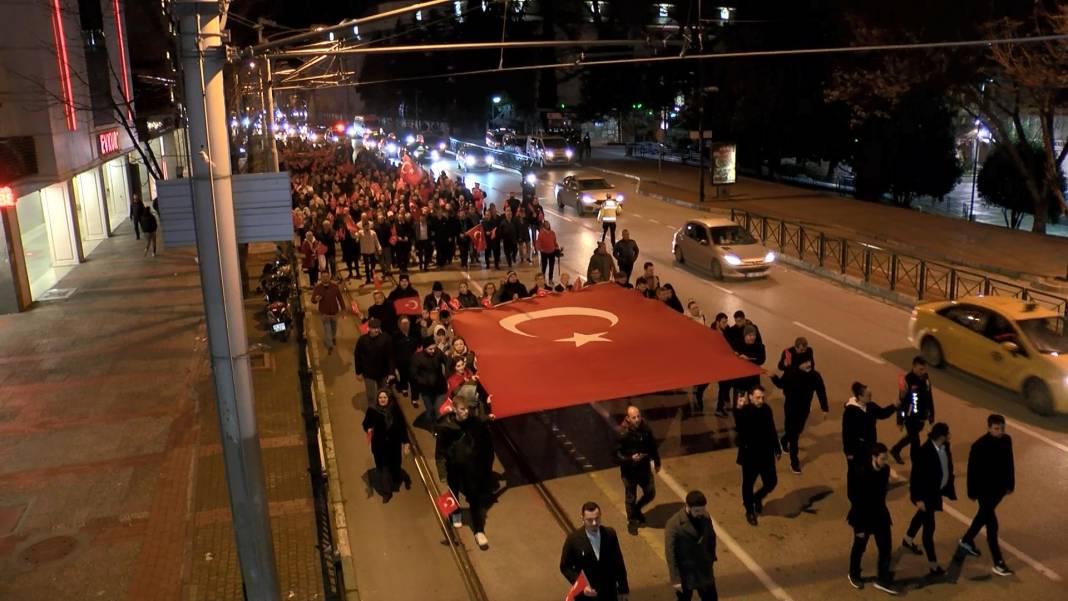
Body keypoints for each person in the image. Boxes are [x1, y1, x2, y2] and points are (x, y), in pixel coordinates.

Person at [957, 414, 1015, 576]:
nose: (1000, 431)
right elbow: (972, 471)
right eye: (997, 429)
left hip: (999, 490)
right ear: (989, 428)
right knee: (992, 524)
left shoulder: (1006, 440)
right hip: (984, 491)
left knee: (982, 517)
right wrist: (972, 492)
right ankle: (998, 562)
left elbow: (1010, 462)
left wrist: (1010, 484)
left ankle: (966, 540)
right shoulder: (979, 446)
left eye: (1002, 428)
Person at [435, 396, 496, 550]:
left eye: (467, 409)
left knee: (474, 498)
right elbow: (440, 453)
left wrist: (489, 413)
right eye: (462, 409)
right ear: (454, 409)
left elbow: (480, 419)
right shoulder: (445, 427)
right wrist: (442, 473)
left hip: (471, 467)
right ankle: (456, 515)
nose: (466, 412)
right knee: (453, 493)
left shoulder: (472, 421)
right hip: (453, 467)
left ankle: (479, 530)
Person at [903, 422, 955, 576]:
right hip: (926, 496)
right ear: (941, 437)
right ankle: (933, 565)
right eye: (948, 433)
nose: (950, 435)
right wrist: (917, 499)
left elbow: (947, 466)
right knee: (928, 532)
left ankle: (908, 539)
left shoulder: (945, 447)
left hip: (935, 493)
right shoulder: (924, 452)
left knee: (921, 516)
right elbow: (915, 478)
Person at [847, 443, 898, 595]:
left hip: (880, 515)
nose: (885, 462)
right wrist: (860, 527)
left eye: (886, 458)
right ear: (874, 457)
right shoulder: (859, 472)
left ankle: (882, 578)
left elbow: (882, 493)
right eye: (883, 459)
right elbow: (854, 499)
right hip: (862, 517)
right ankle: (854, 573)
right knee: (859, 547)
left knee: (886, 547)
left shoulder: (885, 470)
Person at [559, 501, 630, 601]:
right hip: (586, 596)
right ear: (582, 519)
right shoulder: (573, 540)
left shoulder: (610, 534)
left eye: (597, 518)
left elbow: (618, 562)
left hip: (609, 593)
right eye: (590, 520)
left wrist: (624, 589)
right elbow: (565, 567)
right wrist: (580, 585)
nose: (594, 523)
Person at [770, 359, 828, 474]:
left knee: (797, 430)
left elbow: (821, 391)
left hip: (804, 409)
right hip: (791, 408)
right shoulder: (791, 374)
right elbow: (781, 384)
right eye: (805, 362)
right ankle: (794, 462)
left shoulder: (815, 376)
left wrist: (824, 408)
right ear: (798, 364)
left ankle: (784, 440)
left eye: (809, 362)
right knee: (794, 435)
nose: (808, 365)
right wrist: (773, 377)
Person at [735, 385, 780, 526]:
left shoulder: (766, 410)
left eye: (762, 397)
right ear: (750, 397)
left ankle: (757, 497)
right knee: (748, 484)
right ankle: (749, 510)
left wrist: (777, 448)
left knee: (771, 481)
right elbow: (740, 427)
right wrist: (738, 409)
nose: (761, 400)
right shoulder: (745, 412)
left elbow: (772, 428)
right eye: (758, 397)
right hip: (750, 456)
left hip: (766, 453)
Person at [615, 406, 661, 535]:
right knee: (630, 497)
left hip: (644, 468)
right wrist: (630, 459)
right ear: (628, 418)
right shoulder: (622, 433)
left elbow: (652, 445)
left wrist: (657, 462)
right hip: (629, 471)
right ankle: (632, 521)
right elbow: (615, 454)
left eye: (638, 416)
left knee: (650, 492)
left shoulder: (645, 429)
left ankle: (636, 509)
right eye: (634, 417)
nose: (637, 419)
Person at [665, 490, 718, 601]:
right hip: (686, 572)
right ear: (687, 507)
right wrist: (675, 579)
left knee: (711, 598)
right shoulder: (674, 525)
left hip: (704, 569)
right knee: (684, 599)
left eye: (703, 510)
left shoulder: (705, 516)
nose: (700, 513)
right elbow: (670, 553)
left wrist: (711, 556)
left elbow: (711, 536)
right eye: (697, 511)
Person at [361, 389, 412, 503]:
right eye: (380, 398)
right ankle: (387, 492)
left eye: (385, 398)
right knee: (383, 469)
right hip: (379, 446)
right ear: (377, 399)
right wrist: (368, 428)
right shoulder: (372, 410)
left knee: (395, 466)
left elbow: (402, 427)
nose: (382, 400)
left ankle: (395, 479)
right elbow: (365, 423)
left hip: (394, 445)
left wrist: (406, 442)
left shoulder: (395, 410)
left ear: (388, 399)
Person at [891, 356, 935, 465]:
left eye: (924, 369)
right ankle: (916, 463)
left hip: (921, 415)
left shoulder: (926, 378)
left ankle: (895, 450)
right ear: (914, 367)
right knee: (915, 440)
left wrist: (931, 413)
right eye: (921, 369)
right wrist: (900, 420)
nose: (923, 372)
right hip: (910, 416)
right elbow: (901, 401)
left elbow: (929, 396)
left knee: (912, 437)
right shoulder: (906, 380)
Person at [842, 382, 898, 464]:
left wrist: (894, 406)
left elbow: (882, 414)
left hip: (871, 445)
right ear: (860, 396)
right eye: (868, 395)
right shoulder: (850, 412)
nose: (870, 397)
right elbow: (846, 433)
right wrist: (849, 452)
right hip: (857, 447)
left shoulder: (871, 406)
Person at [353, 318, 394, 407]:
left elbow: (390, 356)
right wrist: (358, 372)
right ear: (369, 328)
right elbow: (357, 356)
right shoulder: (362, 340)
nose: (376, 330)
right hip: (368, 373)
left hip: (382, 372)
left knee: (383, 394)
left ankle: (383, 411)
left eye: (377, 328)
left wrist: (391, 372)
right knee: (371, 395)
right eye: (374, 328)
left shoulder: (385, 338)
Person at [411, 341, 447, 424]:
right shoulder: (417, 358)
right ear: (425, 348)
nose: (433, 351)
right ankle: (431, 426)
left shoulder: (438, 353)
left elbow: (446, 361)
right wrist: (423, 381)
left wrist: (446, 376)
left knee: (439, 408)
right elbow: (413, 375)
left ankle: (439, 427)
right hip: (426, 389)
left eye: (434, 348)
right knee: (429, 410)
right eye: (430, 349)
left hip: (439, 386)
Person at [310, 272, 346, 354]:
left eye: (327, 276)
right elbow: (313, 300)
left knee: (334, 328)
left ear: (329, 277)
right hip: (324, 314)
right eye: (323, 277)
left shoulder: (334, 287)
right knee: (327, 330)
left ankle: (332, 338)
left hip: (334, 313)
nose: (325, 278)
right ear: (321, 278)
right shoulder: (318, 288)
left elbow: (340, 298)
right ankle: (329, 345)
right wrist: (316, 299)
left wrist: (343, 309)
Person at [356, 217, 381, 284]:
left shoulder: (373, 233)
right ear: (363, 227)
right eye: (365, 226)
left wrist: (379, 247)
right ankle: (368, 279)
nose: (366, 227)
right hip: (365, 252)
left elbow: (376, 241)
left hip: (372, 251)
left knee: (373, 264)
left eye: (367, 225)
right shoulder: (360, 233)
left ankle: (372, 274)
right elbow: (356, 237)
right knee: (366, 266)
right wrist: (354, 235)